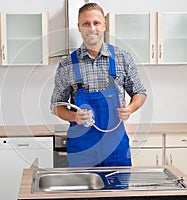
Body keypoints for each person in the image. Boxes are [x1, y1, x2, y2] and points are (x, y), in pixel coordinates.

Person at [50, 2, 147, 167]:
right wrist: (75, 117)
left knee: (118, 193)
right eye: (86, 23)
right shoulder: (67, 65)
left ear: (104, 25)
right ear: (79, 27)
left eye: (96, 23)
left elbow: (140, 93)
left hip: (116, 148)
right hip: (82, 150)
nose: (91, 28)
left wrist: (129, 109)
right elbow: (56, 106)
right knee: (84, 194)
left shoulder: (122, 58)